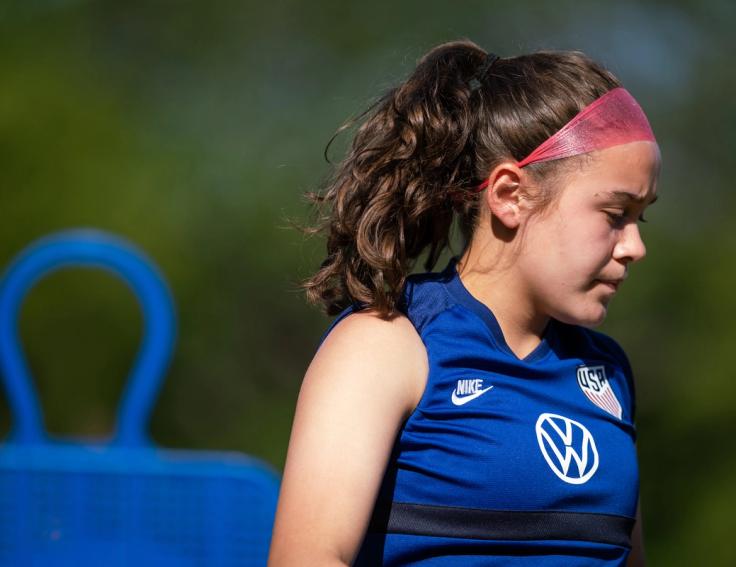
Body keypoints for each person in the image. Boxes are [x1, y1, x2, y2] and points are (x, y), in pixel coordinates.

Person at [268, 38, 660, 566]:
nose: (635, 246)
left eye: (641, 217)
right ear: (510, 195)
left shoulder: (607, 373)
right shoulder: (388, 347)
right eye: (615, 215)